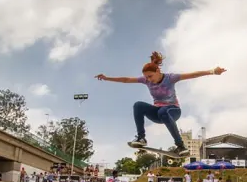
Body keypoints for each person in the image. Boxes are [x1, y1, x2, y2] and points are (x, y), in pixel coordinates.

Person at [95, 51, 226, 156]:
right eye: (146, 77)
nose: (148, 80)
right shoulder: (146, 80)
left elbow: (192, 75)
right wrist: (107, 78)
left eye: (150, 76)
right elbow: (126, 79)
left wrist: (212, 71)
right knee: (138, 105)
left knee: (164, 111)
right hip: (157, 113)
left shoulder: (170, 78)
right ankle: (141, 138)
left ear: (158, 71)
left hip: (173, 111)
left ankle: (180, 146)